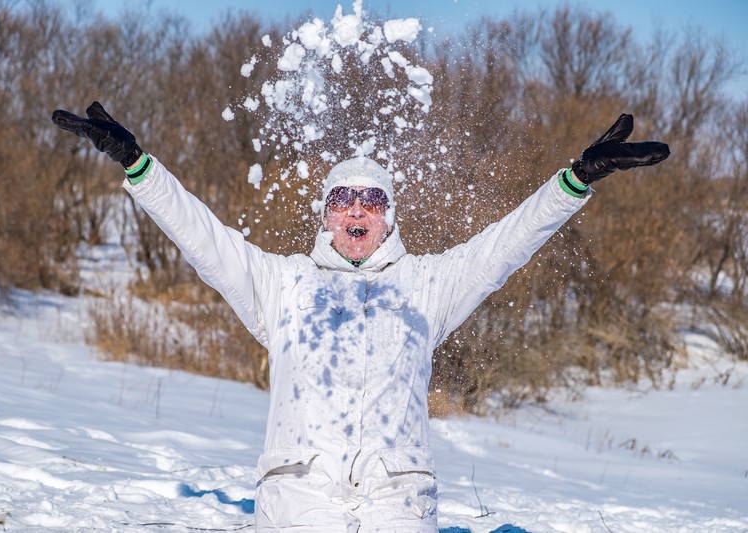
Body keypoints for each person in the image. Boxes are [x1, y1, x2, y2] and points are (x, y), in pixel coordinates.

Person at [52, 102, 669, 532]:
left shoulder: (428, 284)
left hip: (397, 509)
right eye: (341, 199)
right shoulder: (282, 283)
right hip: (298, 508)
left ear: (390, 216)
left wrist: (577, 179)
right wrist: (139, 166)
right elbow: (202, 237)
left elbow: (507, 243)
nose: (356, 211)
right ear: (324, 215)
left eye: (371, 201)